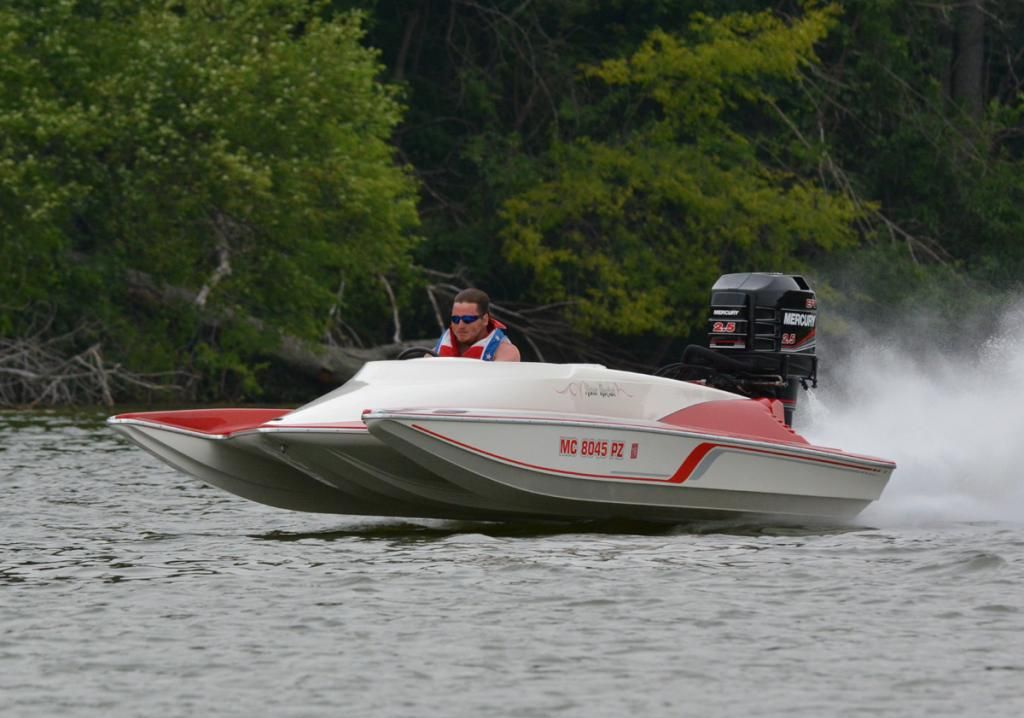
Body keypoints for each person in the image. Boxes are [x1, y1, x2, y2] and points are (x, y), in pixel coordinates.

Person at [433, 288, 520, 361]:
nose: (460, 325)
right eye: (455, 319)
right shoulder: (435, 351)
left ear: (485, 319)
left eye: (468, 319)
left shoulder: (506, 353)